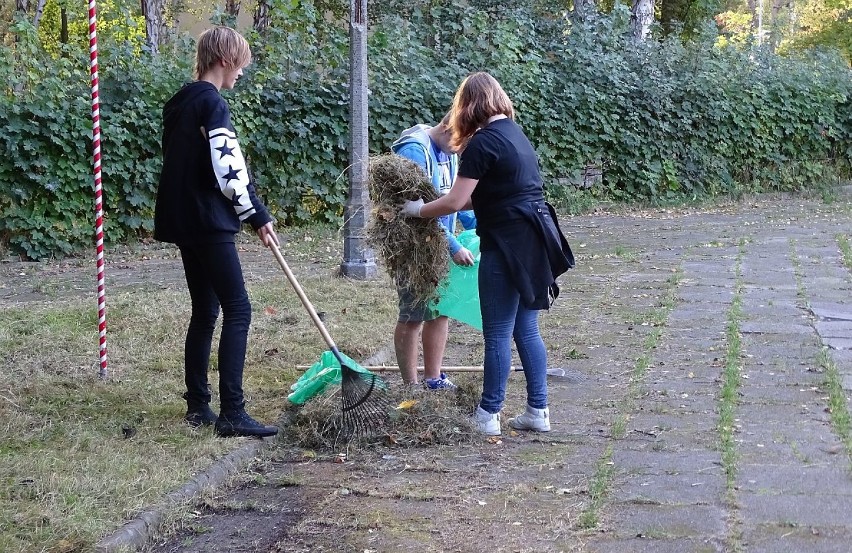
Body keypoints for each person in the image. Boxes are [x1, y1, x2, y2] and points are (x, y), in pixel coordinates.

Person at [401, 72, 574, 435]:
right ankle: (537, 411)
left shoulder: (483, 143)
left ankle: (488, 415)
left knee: (497, 333)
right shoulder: (515, 133)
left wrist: (416, 211)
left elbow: (456, 200)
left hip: (506, 245)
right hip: (536, 240)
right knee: (527, 329)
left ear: (468, 106)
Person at [154, 26, 279, 438]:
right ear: (225, 60)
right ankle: (232, 413)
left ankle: (197, 406)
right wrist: (256, 215)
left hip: (186, 222)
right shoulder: (212, 105)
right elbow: (229, 172)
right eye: (240, 62)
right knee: (238, 309)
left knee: (206, 311)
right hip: (208, 221)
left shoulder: (180, 104)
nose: (242, 71)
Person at [391, 115, 477, 389]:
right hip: (412, 248)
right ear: (445, 127)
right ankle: (411, 384)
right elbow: (418, 212)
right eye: (459, 143)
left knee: (441, 310)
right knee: (413, 315)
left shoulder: (448, 149)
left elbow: (453, 199)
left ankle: (433, 378)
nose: (459, 150)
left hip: (437, 245)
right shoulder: (415, 151)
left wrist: (478, 225)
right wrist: (454, 246)